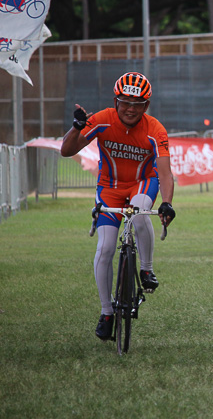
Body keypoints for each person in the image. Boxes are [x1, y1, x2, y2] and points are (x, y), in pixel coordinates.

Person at [60, 72, 177, 341]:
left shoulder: (155, 129)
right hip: (109, 189)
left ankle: (146, 268)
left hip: (141, 184)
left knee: (138, 214)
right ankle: (106, 312)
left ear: (146, 106)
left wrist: (167, 203)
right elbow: (67, 151)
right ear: (116, 101)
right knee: (105, 249)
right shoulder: (102, 119)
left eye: (138, 104)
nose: (131, 109)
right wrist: (76, 127)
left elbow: (166, 173)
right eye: (125, 102)